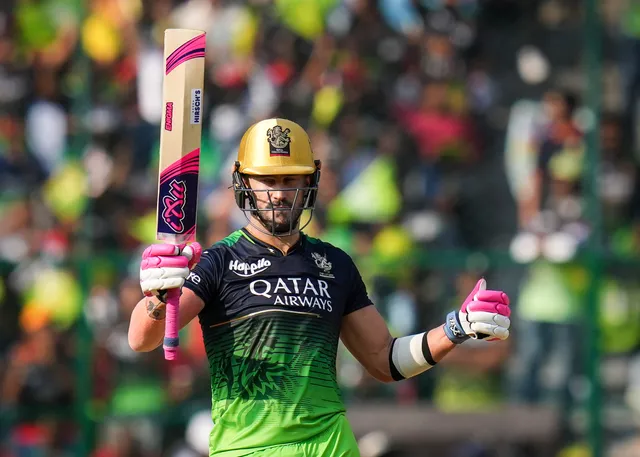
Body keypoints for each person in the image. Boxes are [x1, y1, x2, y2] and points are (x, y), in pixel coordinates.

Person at [128, 118, 512, 457]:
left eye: (289, 179)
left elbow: (384, 359)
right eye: (268, 180)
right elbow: (142, 339)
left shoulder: (335, 265)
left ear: (309, 181)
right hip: (247, 447)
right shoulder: (219, 262)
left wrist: (455, 329)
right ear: (244, 183)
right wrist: (157, 299)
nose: (278, 193)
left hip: (331, 445)